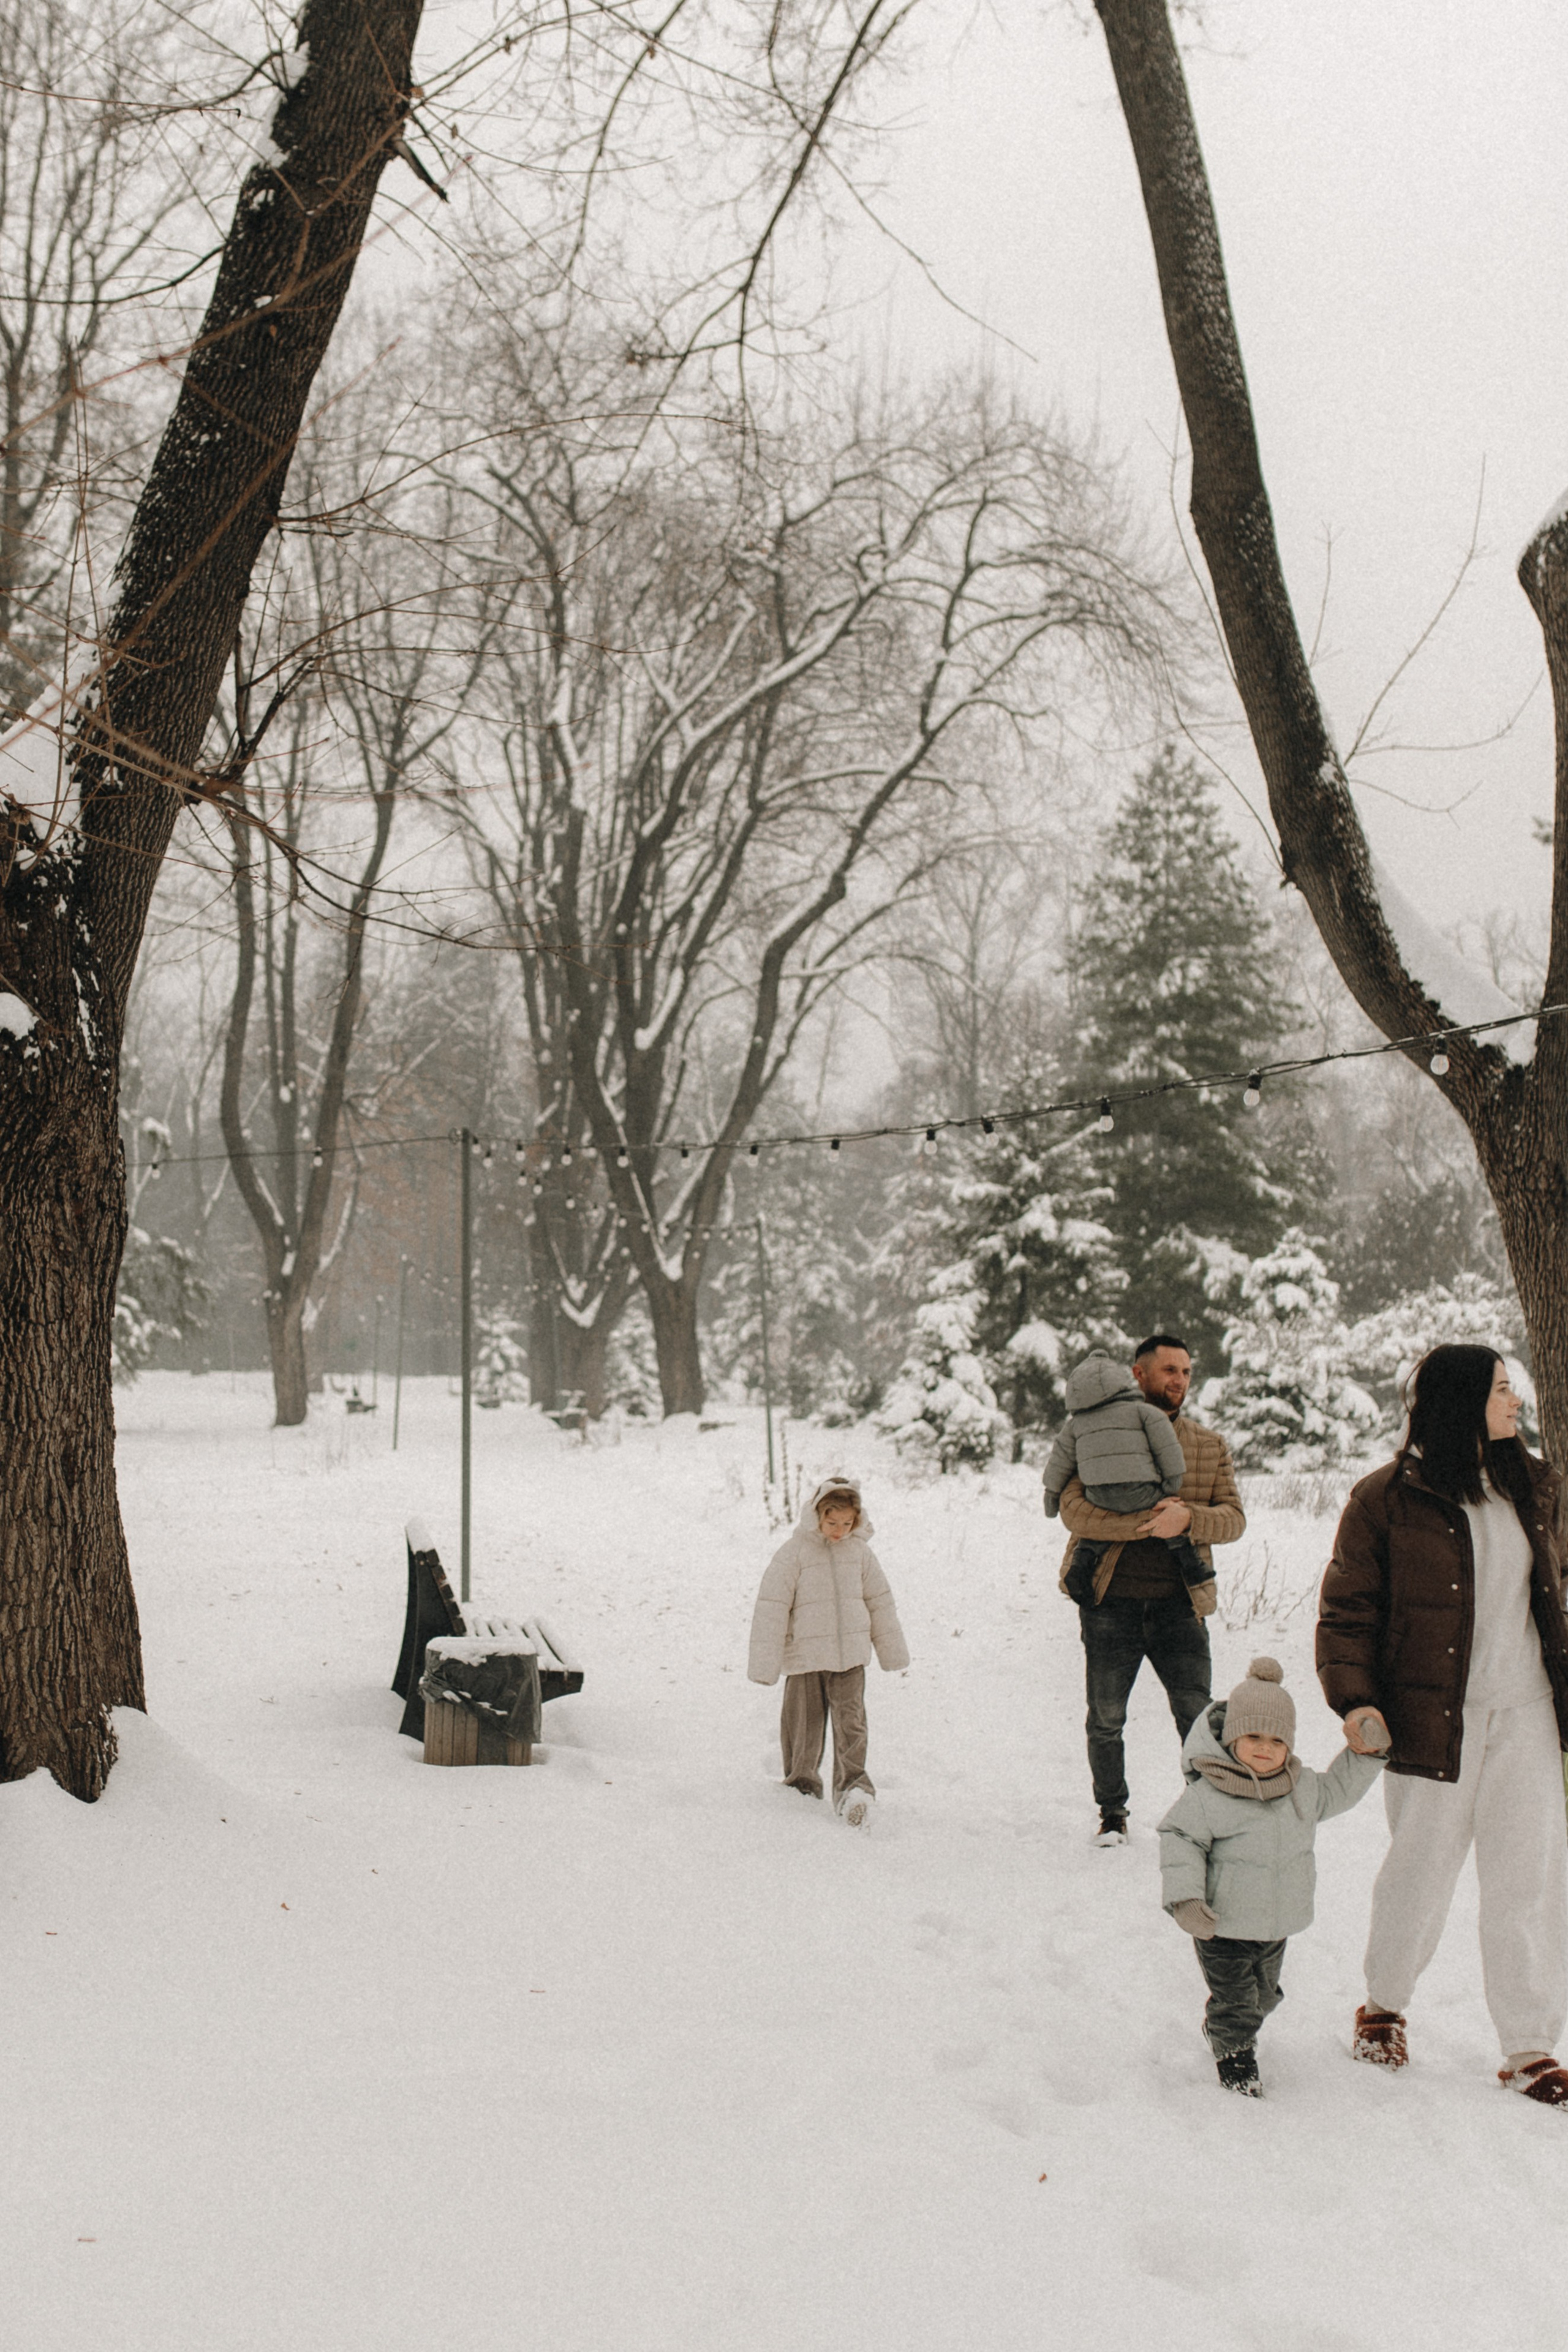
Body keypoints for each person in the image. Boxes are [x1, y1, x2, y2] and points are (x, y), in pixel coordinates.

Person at [1317, 1344, 1568, 2105]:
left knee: (1527, 1881)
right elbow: (1348, 1610)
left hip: (1524, 1715)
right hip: (1430, 1720)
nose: (1514, 1402)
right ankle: (1383, 2007)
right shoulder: (1386, 1499)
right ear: (1460, 1402)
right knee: (1419, 1873)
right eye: (1499, 1391)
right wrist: (1356, 1700)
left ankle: (1529, 2047)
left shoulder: (1535, 1487)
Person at [1159, 1655, 1384, 2096]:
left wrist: (1367, 1752)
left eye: (1277, 1740)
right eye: (1253, 1736)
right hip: (1221, 1927)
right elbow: (1180, 1838)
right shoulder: (1211, 1793)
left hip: (1275, 1926)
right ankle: (1235, 2055)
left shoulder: (1300, 1789)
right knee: (1238, 2002)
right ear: (1231, 1739)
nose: (1265, 1748)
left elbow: (1340, 1788)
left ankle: (1228, 2026)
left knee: (1263, 1998)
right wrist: (1186, 1899)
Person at [1052, 1333, 1245, 1847]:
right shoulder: (1096, 1432)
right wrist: (1147, 1522)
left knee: (1197, 1717)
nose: (1179, 1381)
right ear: (1138, 1375)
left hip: (1181, 1606)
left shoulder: (1208, 1445)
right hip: (1110, 1602)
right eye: (1168, 1371)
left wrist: (1188, 1518)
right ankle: (1112, 1815)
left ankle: (1209, 1814)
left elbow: (1234, 1520)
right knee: (1107, 1717)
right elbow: (1073, 1509)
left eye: (1185, 1371)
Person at [748, 1471, 909, 1828]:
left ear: (858, 1519)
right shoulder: (795, 1553)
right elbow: (772, 1607)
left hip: (850, 1657)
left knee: (852, 1725)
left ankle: (855, 1789)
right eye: (832, 1521)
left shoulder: (861, 1554)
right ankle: (800, 1785)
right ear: (816, 1515)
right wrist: (765, 1665)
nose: (839, 1530)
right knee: (804, 1727)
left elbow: (880, 1603)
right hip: (805, 1658)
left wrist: (891, 1651)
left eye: (847, 1523)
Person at [1042, 1348, 1212, 1597]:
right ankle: (1191, 1564)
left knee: (1097, 1529)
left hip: (1097, 1494)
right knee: (1164, 1513)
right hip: (1139, 1489)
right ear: (1122, 1384)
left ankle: (1080, 1566)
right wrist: (1172, 1483)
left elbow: (1059, 1460)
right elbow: (1166, 1447)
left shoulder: (1076, 1425)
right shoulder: (1143, 1411)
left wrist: (1052, 1494)